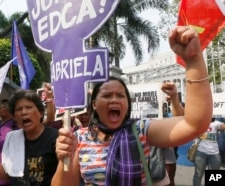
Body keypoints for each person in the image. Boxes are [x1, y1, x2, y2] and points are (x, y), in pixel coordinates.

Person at [51, 26, 212, 186]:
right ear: (94, 104)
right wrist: (65, 156)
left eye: (121, 95)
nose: (114, 100)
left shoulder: (141, 130)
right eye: (107, 95)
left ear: (128, 104)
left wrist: (193, 60)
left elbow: (194, 124)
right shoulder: (79, 138)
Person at [0, 89, 58, 185]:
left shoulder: (55, 138)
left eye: (29, 107)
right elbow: (7, 174)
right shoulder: (12, 138)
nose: (24, 112)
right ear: (14, 117)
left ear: (40, 113)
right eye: (19, 109)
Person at [192, 118, 225, 186]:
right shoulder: (199, 122)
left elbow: (222, 127)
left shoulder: (216, 123)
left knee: (214, 177)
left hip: (214, 153)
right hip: (201, 152)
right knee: (198, 174)